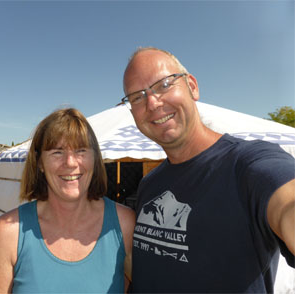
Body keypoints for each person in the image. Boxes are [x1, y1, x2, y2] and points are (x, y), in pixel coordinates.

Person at [121, 47, 295, 293]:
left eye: (164, 84)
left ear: (192, 86)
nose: (152, 102)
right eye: (137, 97)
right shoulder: (150, 183)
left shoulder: (248, 164)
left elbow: (287, 202)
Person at [0, 108, 135, 293]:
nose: (70, 162)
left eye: (81, 150)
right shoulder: (8, 233)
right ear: (39, 163)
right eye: (57, 152)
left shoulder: (124, 224)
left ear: (95, 158)